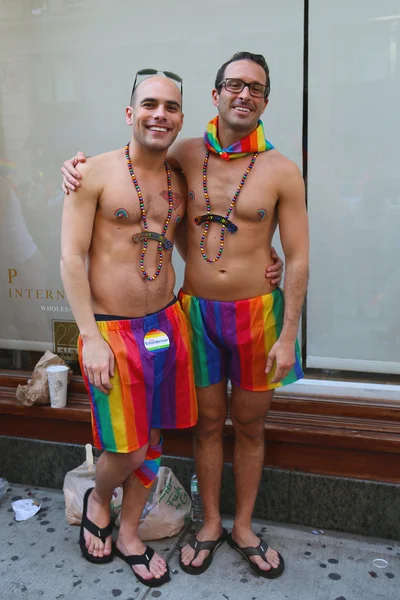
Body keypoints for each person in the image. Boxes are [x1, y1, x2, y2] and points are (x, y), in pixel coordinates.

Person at [61, 51, 308, 580]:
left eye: (256, 88)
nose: (244, 95)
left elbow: (298, 255)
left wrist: (287, 326)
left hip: (248, 316)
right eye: (234, 85)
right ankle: (207, 524)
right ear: (216, 95)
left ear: (266, 100)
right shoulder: (183, 155)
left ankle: (240, 527)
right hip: (189, 314)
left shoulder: (281, 169)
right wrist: (73, 167)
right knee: (203, 425)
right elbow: (107, 230)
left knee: (240, 426)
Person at [60, 72, 198, 588]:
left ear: (181, 117)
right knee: (128, 448)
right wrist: (89, 336)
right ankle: (100, 501)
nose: (159, 114)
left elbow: (185, 244)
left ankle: (130, 533)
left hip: (166, 323)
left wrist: (263, 266)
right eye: (149, 104)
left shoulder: (179, 178)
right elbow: (71, 258)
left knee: (156, 436)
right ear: (129, 113)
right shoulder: (91, 173)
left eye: (170, 107)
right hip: (112, 331)